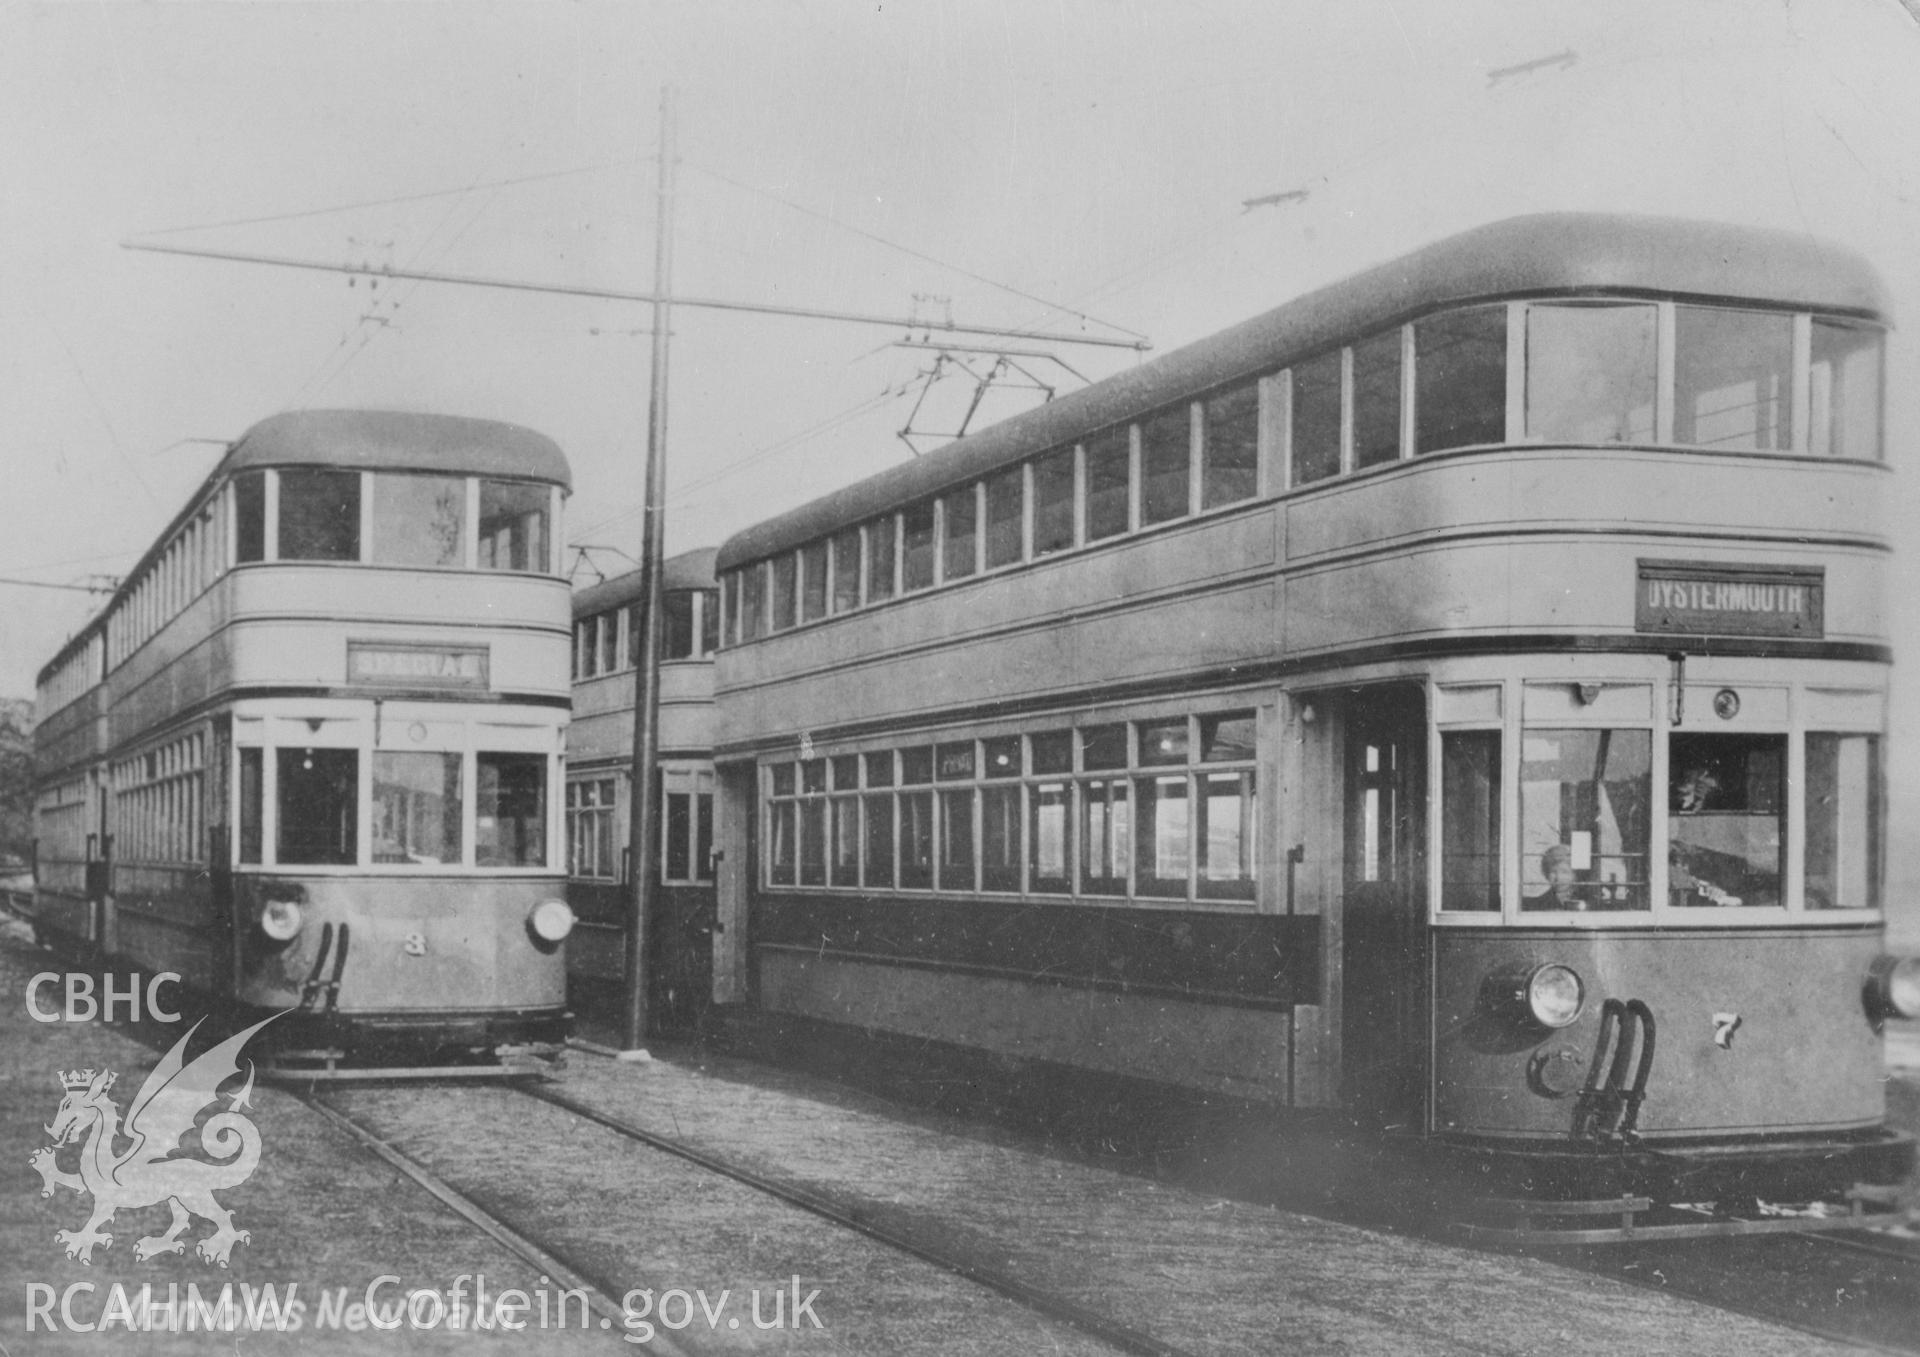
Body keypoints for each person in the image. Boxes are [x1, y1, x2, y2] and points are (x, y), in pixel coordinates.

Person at [1525, 844, 1587, 911]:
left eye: (1564, 872)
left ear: (1575, 874)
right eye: (1553, 872)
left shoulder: (1587, 900)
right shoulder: (1536, 905)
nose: (1559, 878)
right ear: (1546, 874)